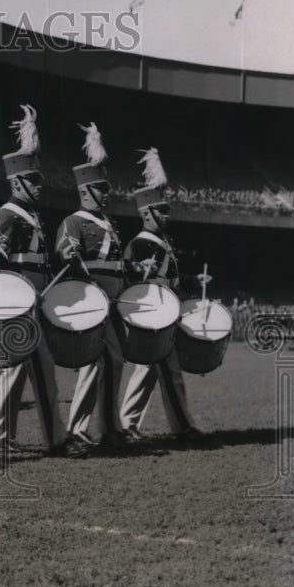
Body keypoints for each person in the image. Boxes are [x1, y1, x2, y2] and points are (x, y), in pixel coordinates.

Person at [0, 106, 65, 455]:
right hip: (17, 305)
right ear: (16, 182)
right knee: (17, 373)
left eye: (39, 178)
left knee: (38, 373)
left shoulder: (32, 216)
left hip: (37, 301)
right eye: (34, 179)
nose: (40, 184)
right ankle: (0, 436)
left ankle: (48, 438)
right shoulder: (6, 214)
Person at [118, 148, 210, 444]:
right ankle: (182, 428)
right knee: (168, 372)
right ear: (146, 213)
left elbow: (168, 279)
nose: (167, 215)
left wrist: (192, 281)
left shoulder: (160, 242)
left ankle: (128, 425)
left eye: (167, 210)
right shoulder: (140, 244)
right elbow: (131, 279)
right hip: (151, 315)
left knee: (148, 372)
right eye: (162, 211)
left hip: (163, 313)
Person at [54, 123, 127, 457]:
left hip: (113, 302)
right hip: (92, 303)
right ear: (85, 191)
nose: (107, 192)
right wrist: (67, 253)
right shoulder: (74, 222)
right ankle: (78, 428)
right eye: (101, 188)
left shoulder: (109, 224)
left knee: (113, 363)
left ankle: (110, 426)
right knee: (92, 365)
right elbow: (65, 250)